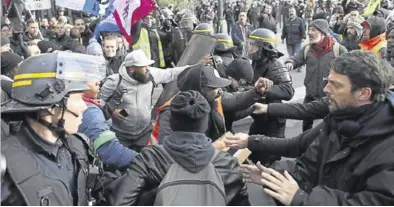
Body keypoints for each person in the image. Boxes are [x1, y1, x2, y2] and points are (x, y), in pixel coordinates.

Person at [236, 51, 394, 205]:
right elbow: (309, 164)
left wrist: (301, 200)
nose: (326, 89)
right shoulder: (340, 116)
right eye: (329, 81)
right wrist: (273, 175)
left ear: (364, 93)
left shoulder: (387, 148)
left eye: (336, 85)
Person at [1, 52, 110, 205]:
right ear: (51, 106)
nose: (84, 106)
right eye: (78, 98)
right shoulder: (5, 166)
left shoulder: (79, 146)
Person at [106, 91, 250, 206]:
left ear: (171, 122)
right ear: (205, 124)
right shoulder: (228, 163)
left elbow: (120, 202)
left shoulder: (150, 159)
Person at [151, 64, 267, 145]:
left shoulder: (214, 97)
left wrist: (255, 91)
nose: (219, 90)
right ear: (200, 91)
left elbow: (236, 100)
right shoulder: (170, 113)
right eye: (214, 87)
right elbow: (170, 152)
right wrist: (213, 148)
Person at [100, 50, 190, 152]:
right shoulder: (114, 82)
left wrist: (195, 67)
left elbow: (171, 73)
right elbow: (99, 102)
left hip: (144, 134)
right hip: (120, 136)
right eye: (143, 67)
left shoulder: (151, 75)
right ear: (132, 69)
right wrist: (113, 111)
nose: (148, 69)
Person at [285, 19, 347, 132]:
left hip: (329, 97)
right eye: (309, 29)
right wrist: (290, 62)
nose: (309, 33)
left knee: (329, 127)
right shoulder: (307, 49)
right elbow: (296, 58)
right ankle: (304, 145)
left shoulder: (338, 50)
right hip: (310, 95)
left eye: (313, 30)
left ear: (323, 33)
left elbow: (349, 66)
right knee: (306, 124)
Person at [244, 28, 295, 165]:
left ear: (265, 48)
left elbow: (288, 90)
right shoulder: (256, 63)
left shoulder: (275, 65)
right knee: (253, 154)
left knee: (268, 163)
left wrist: (264, 90)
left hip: (272, 123)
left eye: (253, 44)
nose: (250, 47)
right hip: (259, 119)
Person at [79, 78, 137, 170]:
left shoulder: (93, 104)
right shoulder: (90, 111)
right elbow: (109, 151)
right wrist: (144, 160)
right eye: (90, 77)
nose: (98, 82)